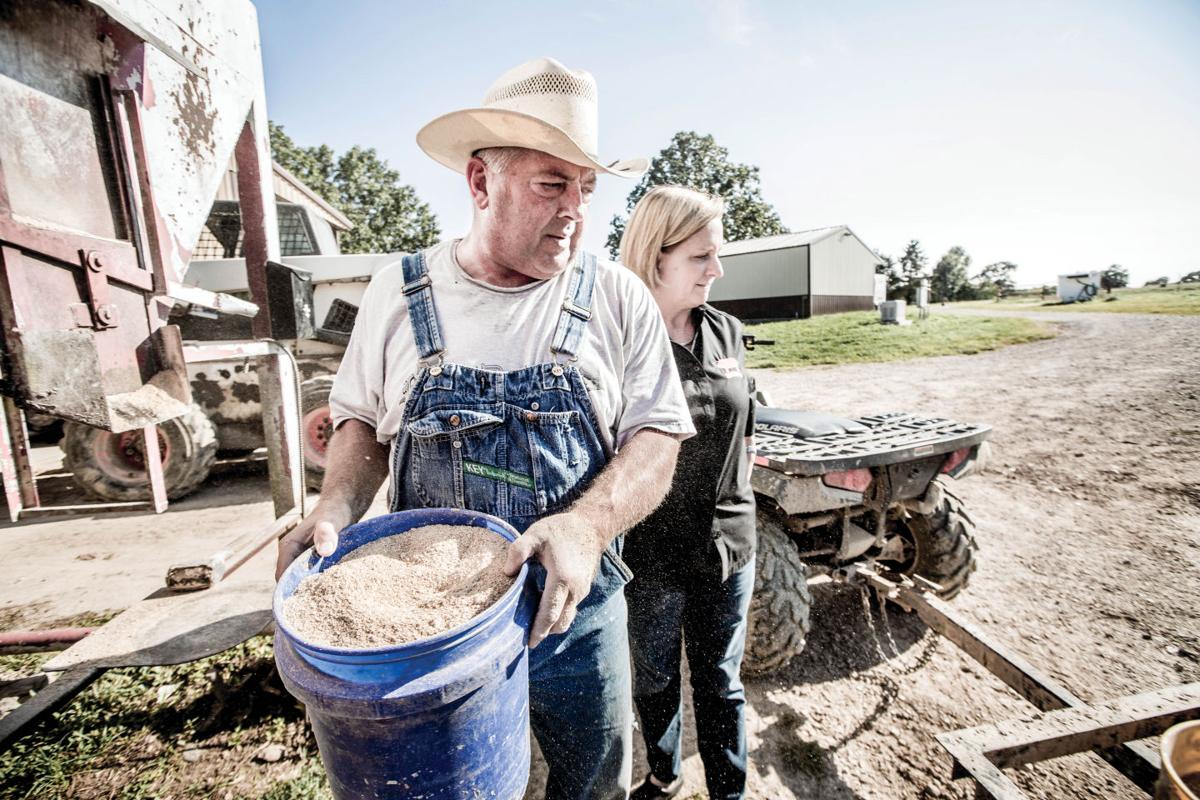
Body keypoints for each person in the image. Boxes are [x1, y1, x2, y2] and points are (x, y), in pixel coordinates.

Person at [275, 58, 696, 800]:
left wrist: (589, 526)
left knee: (592, 787)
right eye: (551, 184)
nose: (574, 209)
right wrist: (335, 506)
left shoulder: (619, 297)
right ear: (479, 182)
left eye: (586, 188)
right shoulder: (398, 293)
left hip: (577, 612)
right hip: (422, 631)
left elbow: (658, 438)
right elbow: (362, 421)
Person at [618, 187, 758, 800]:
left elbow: (744, 424)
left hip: (728, 544)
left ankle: (732, 790)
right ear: (656, 256)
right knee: (653, 678)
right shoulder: (618, 339)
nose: (717, 270)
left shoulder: (726, 331)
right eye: (702, 256)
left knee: (720, 680)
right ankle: (666, 773)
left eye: (717, 255)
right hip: (649, 555)